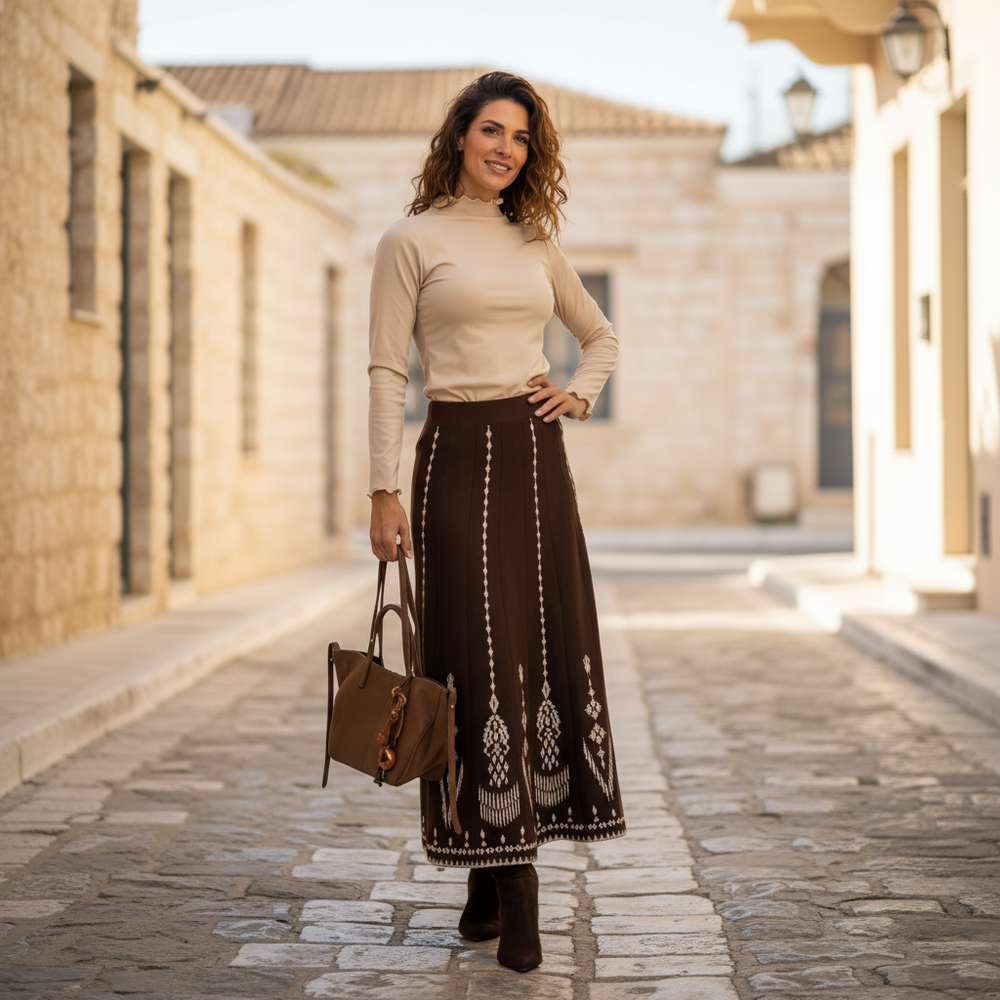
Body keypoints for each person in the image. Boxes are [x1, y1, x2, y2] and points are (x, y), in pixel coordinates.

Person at [367, 70, 625, 973]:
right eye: (490, 131)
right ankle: (517, 895)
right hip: (451, 462)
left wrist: (578, 393)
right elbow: (387, 375)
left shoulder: (535, 242)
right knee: (472, 660)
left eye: (518, 137)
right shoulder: (409, 240)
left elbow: (601, 337)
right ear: (460, 137)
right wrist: (382, 489)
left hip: (532, 461)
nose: (504, 148)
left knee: (534, 646)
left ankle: (487, 884)